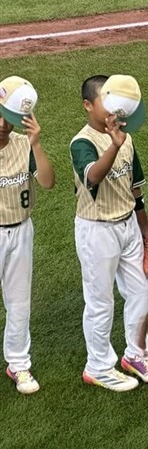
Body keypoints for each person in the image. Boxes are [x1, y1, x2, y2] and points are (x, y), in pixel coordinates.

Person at [70, 75, 148, 392]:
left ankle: (136, 356)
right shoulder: (81, 142)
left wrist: (147, 231)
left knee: (140, 292)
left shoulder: (126, 139)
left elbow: (134, 189)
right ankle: (97, 367)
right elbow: (93, 176)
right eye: (105, 102)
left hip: (127, 227)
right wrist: (114, 144)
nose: (114, 110)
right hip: (96, 231)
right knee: (99, 302)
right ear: (88, 105)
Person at [0, 77, 55, 394]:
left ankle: (19, 364)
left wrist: (36, 143)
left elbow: (47, 182)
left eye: (10, 120)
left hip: (21, 230)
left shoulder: (24, 144)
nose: (5, 127)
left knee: (19, 304)